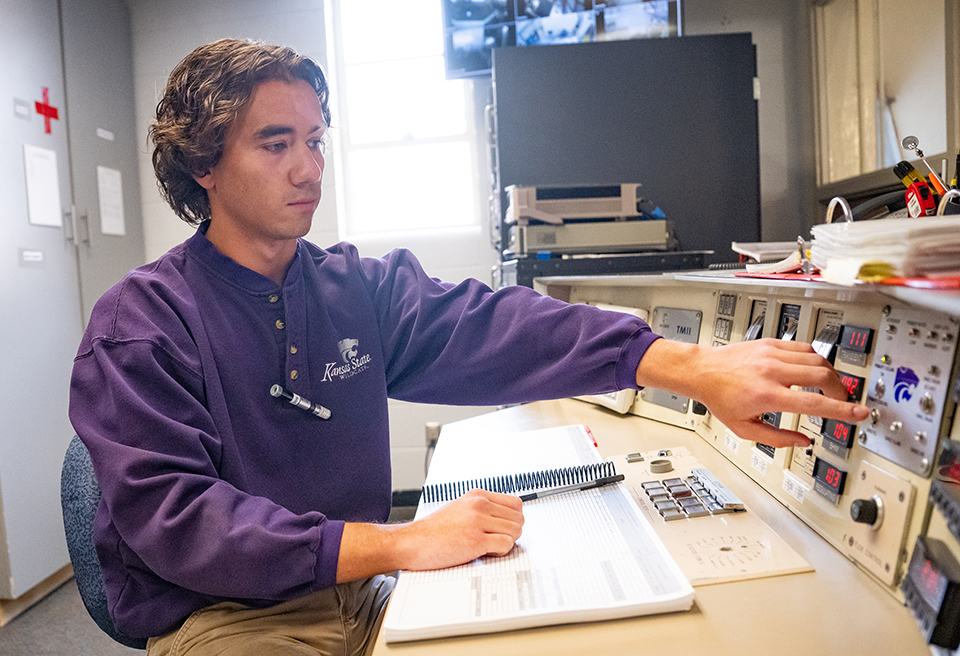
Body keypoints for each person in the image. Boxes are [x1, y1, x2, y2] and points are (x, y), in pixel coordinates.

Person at [69, 38, 868, 656]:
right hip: (231, 619)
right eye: (275, 144)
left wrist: (689, 367)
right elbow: (185, 526)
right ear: (203, 162)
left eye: (317, 140)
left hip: (360, 582)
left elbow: (497, 326)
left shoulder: (352, 288)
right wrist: (405, 541)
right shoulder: (140, 325)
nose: (309, 168)